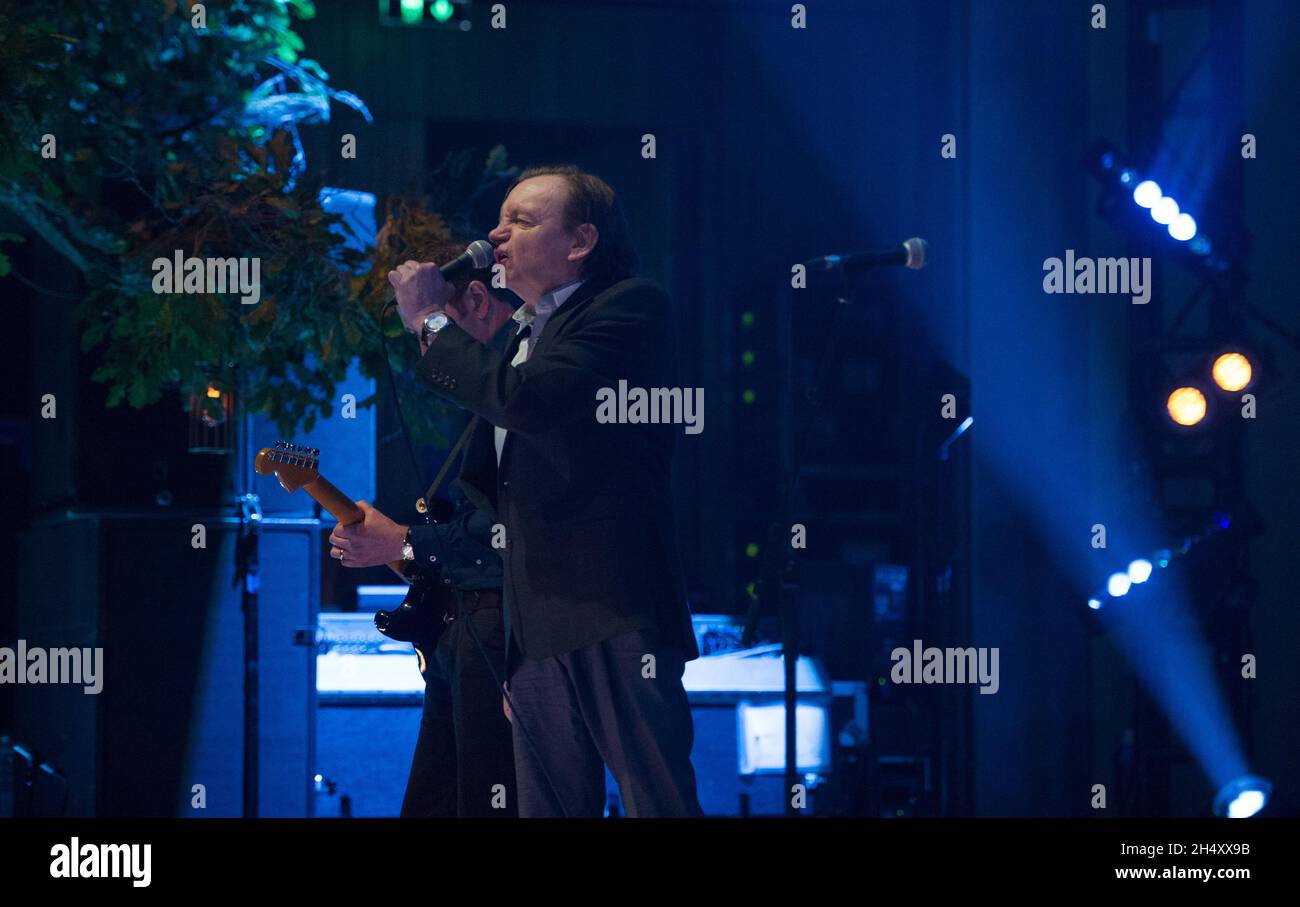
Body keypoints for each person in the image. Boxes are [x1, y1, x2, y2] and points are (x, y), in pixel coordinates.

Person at [387, 165, 703, 817]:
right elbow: (496, 480)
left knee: (658, 800)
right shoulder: (529, 332)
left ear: (581, 241)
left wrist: (429, 323)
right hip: (535, 622)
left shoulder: (627, 308)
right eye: (499, 220)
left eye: (523, 221)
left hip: (610, 606)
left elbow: (531, 403)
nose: (495, 236)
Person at [328, 237, 519, 817]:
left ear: (478, 300)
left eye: (439, 328)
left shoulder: (522, 382)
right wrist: (397, 546)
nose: (432, 352)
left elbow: (500, 541)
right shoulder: (494, 402)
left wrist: (403, 541)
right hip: (466, 638)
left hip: (503, 638)